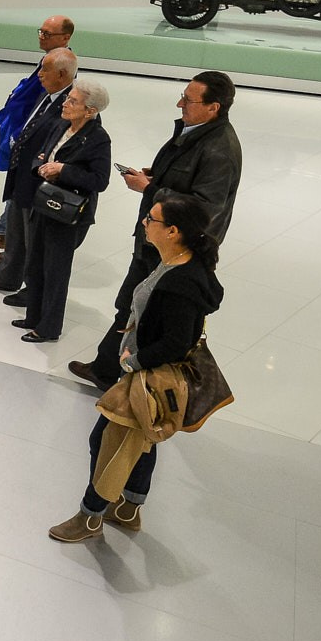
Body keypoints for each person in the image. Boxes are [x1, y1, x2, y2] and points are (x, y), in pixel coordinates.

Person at [48, 194, 223, 543]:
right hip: (148, 374)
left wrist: (133, 361)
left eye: (151, 219)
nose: (144, 223)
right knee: (142, 439)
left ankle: (90, 516)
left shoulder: (181, 283)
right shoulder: (176, 261)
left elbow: (174, 341)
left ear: (173, 231)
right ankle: (129, 509)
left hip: (148, 378)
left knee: (109, 440)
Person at [73, 71, 242, 389]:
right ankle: (107, 367)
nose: (180, 104)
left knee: (145, 313)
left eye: (189, 100)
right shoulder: (196, 133)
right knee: (130, 303)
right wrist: (159, 177)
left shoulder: (219, 150)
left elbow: (203, 209)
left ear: (213, 107)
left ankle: (126, 378)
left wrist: (150, 189)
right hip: (156, 240)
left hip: (172, 249)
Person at [13, 78, 113, 342]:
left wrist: (63, 171)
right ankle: (33, 316)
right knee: (35, 263)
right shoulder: (60, 125)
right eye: (68, 98)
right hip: (44, 203)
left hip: (67, 214)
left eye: (73, 101)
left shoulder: (98, 139)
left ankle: (48, 327)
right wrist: (42, 167)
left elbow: (99, 181)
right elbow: (42, 155)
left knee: (55, 271)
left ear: (90, 111)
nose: (65, 104)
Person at [0, 48, 77, 291]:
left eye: (45, 69)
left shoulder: (71, 105)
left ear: (62, 74)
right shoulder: (48, 94)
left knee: (34, 241)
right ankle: (6, 277)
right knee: (16, 234)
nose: (39, 74)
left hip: (39, 183)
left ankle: (31, 290)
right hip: (21, 176)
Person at [0, 15, 76, 252]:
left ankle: (9, 236)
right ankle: (7, 233)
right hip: (24, 130)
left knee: (23, 185)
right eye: (41, 32)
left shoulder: (62, 70)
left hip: (34, 138)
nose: (41, 37)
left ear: (65, 37)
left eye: (48, 34)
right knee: (17, 182)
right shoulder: (49, 61)